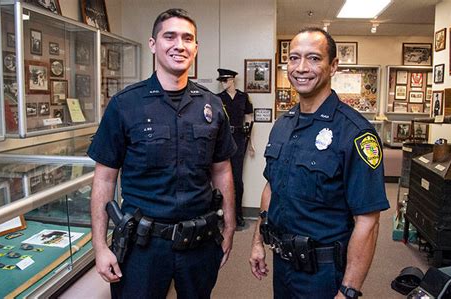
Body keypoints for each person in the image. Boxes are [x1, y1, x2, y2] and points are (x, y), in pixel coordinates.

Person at [88, 8, 237, 298]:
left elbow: (222, 170)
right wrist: (100, 246)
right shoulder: (125, 105)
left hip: (199, 242)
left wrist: (229, 226)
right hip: (142, 247)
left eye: (187, 38)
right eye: (169, 36)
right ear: (153, 44)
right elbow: (104, 180)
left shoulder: (212, 106)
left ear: (195, 48)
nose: (179, 45)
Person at [249, 27, 389, 299]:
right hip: (283, 264)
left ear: (333, 65)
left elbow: (368, 221)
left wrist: (348, 290)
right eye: (293, 58)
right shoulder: (283, 124)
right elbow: (271, 188)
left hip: (323, 273)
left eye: (314, 58)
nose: (301, 68)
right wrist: (258, 242)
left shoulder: (356, 132)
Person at [216, 68, 255, 228]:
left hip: (239, 138)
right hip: (223, 138)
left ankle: (237, 214)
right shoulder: (217, 98)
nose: (224, 84)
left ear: (232, 80)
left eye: (226, 80)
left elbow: (249, 119)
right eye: (222, 81)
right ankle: (221, 214)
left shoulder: (243, 97)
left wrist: (250, 142)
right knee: (220, 178)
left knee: (237, 179)